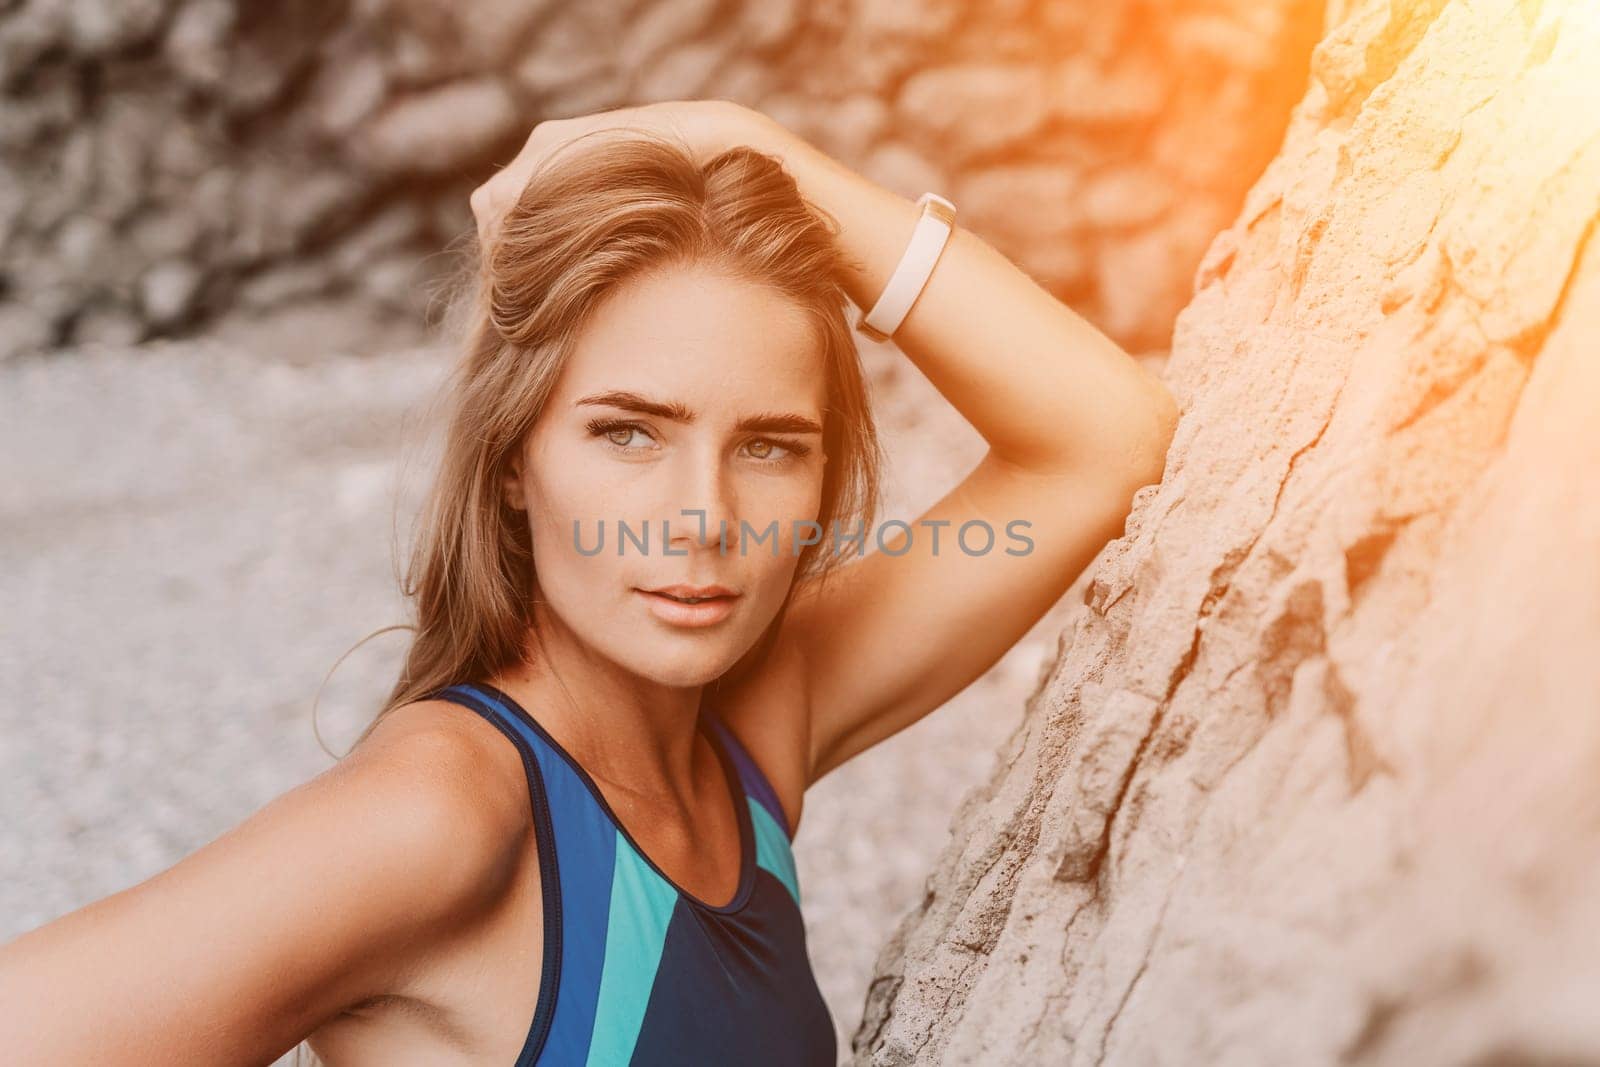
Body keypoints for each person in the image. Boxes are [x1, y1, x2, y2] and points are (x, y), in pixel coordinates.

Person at [0, 99, 1179, 1065]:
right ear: (516, 461)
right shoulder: (445, 817)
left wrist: (755, 147)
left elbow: (1101, 439)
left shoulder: (752, 727)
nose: (703, 518)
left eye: (769, 444)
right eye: (628, 433)